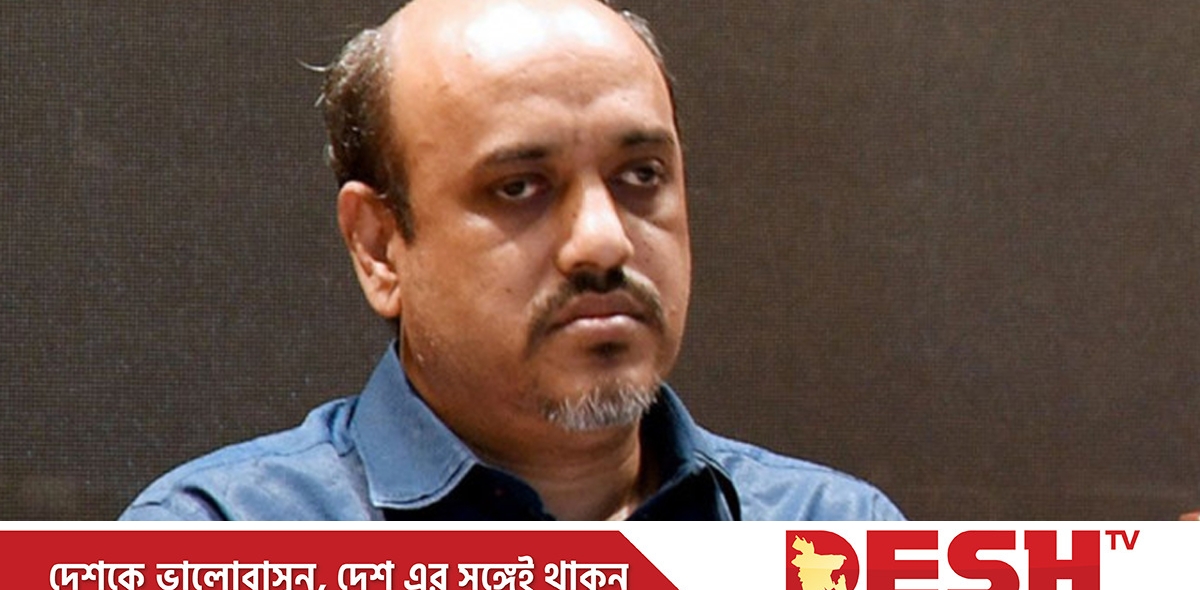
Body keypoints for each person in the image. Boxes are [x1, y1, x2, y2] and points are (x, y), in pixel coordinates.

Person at [121, 0, 904, 521]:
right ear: (380, 247)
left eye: (641, 176)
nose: (603, 241)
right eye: (520, 187)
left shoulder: (834, 543)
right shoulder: (224, 550)